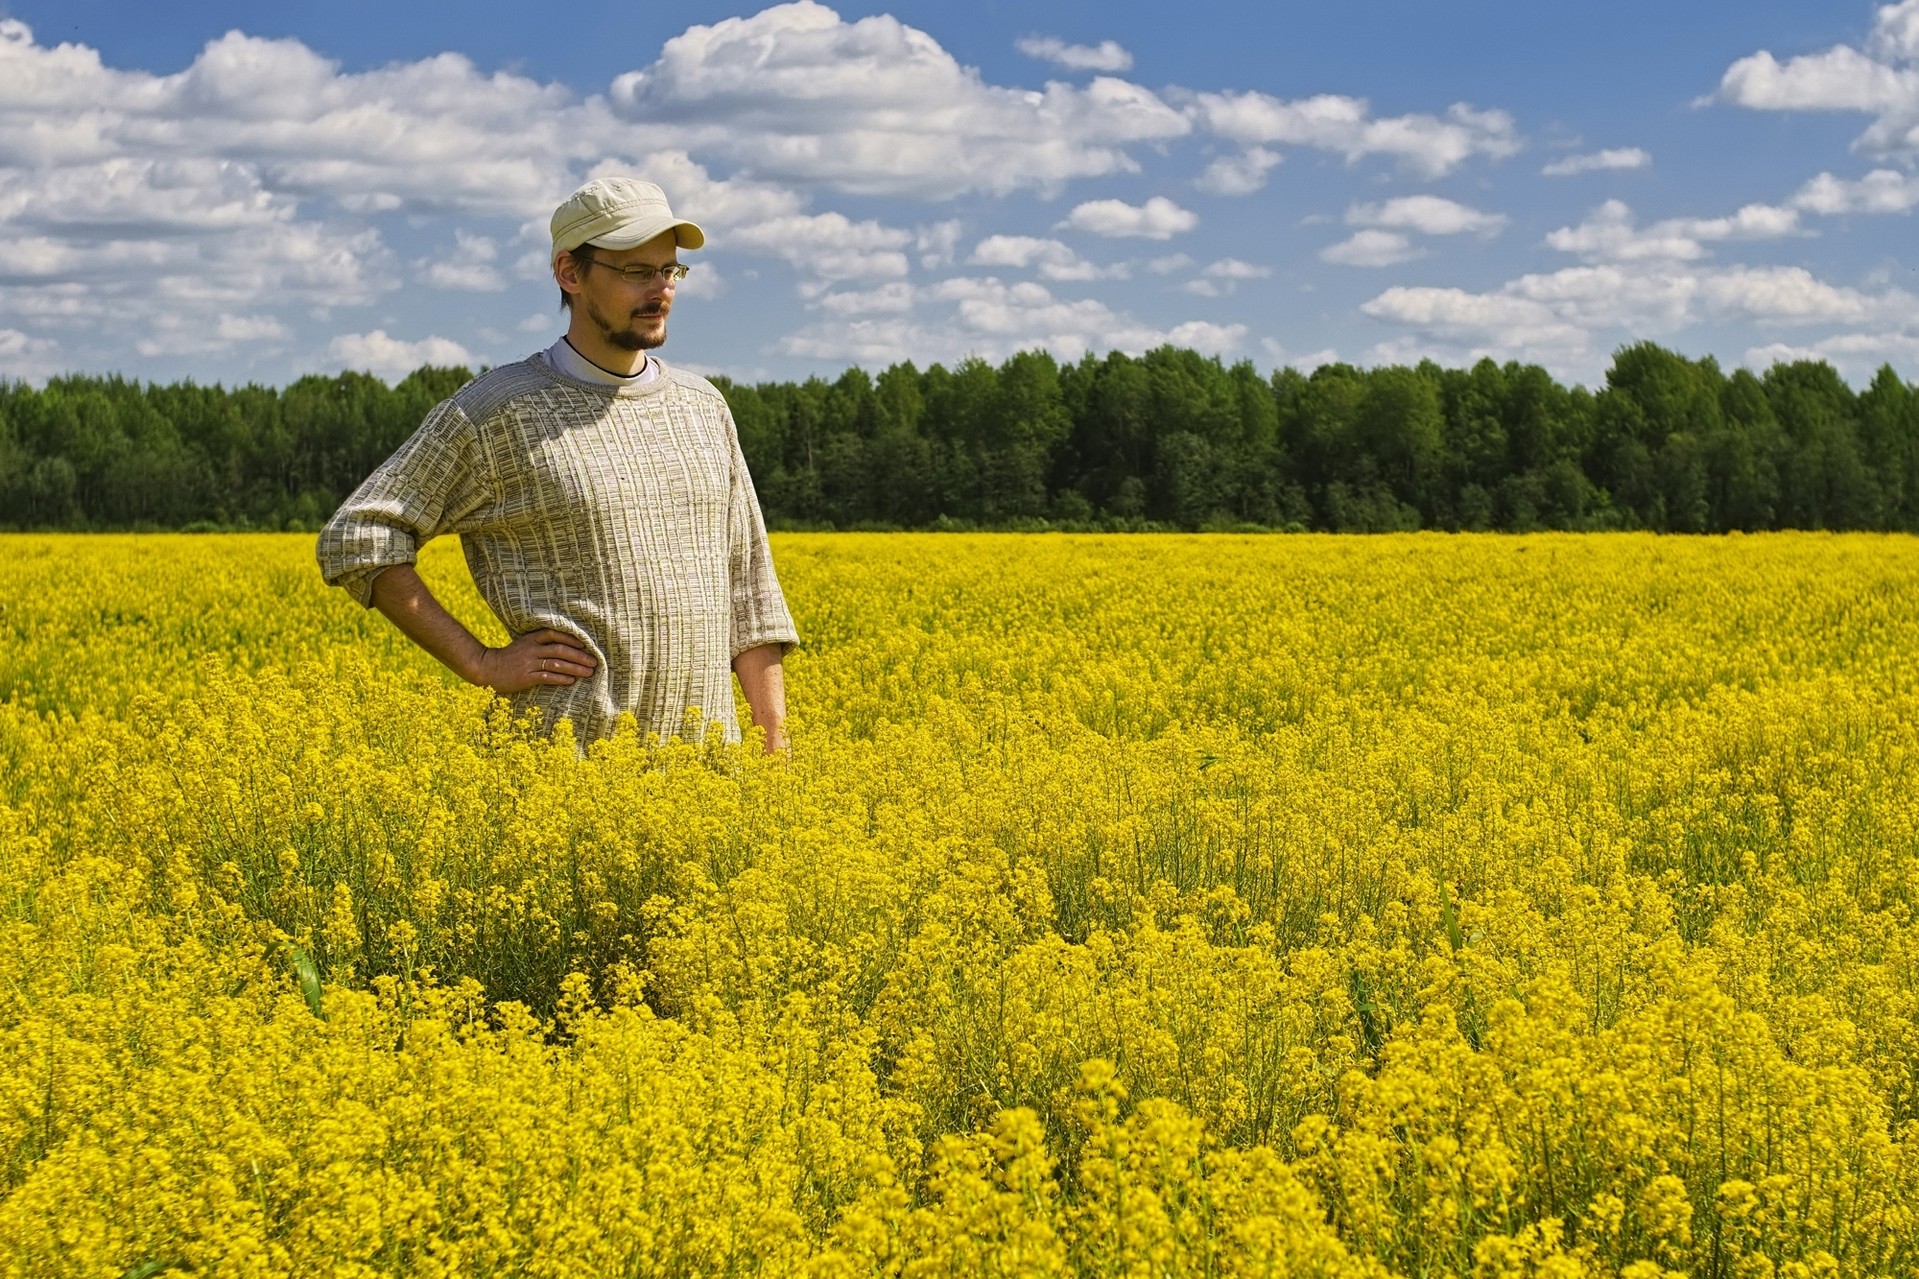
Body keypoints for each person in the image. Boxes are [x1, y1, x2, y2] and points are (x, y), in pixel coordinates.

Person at [316, 175, 798, 751]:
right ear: (570, 273)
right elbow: (359, 537)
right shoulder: (499, 410)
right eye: (635, 271)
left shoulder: (703, 409)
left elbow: (749, 588)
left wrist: (774, 743)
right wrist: (481, 662)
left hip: (709, 781)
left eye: (669, 271)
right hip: (559, 776)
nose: (661, 290)